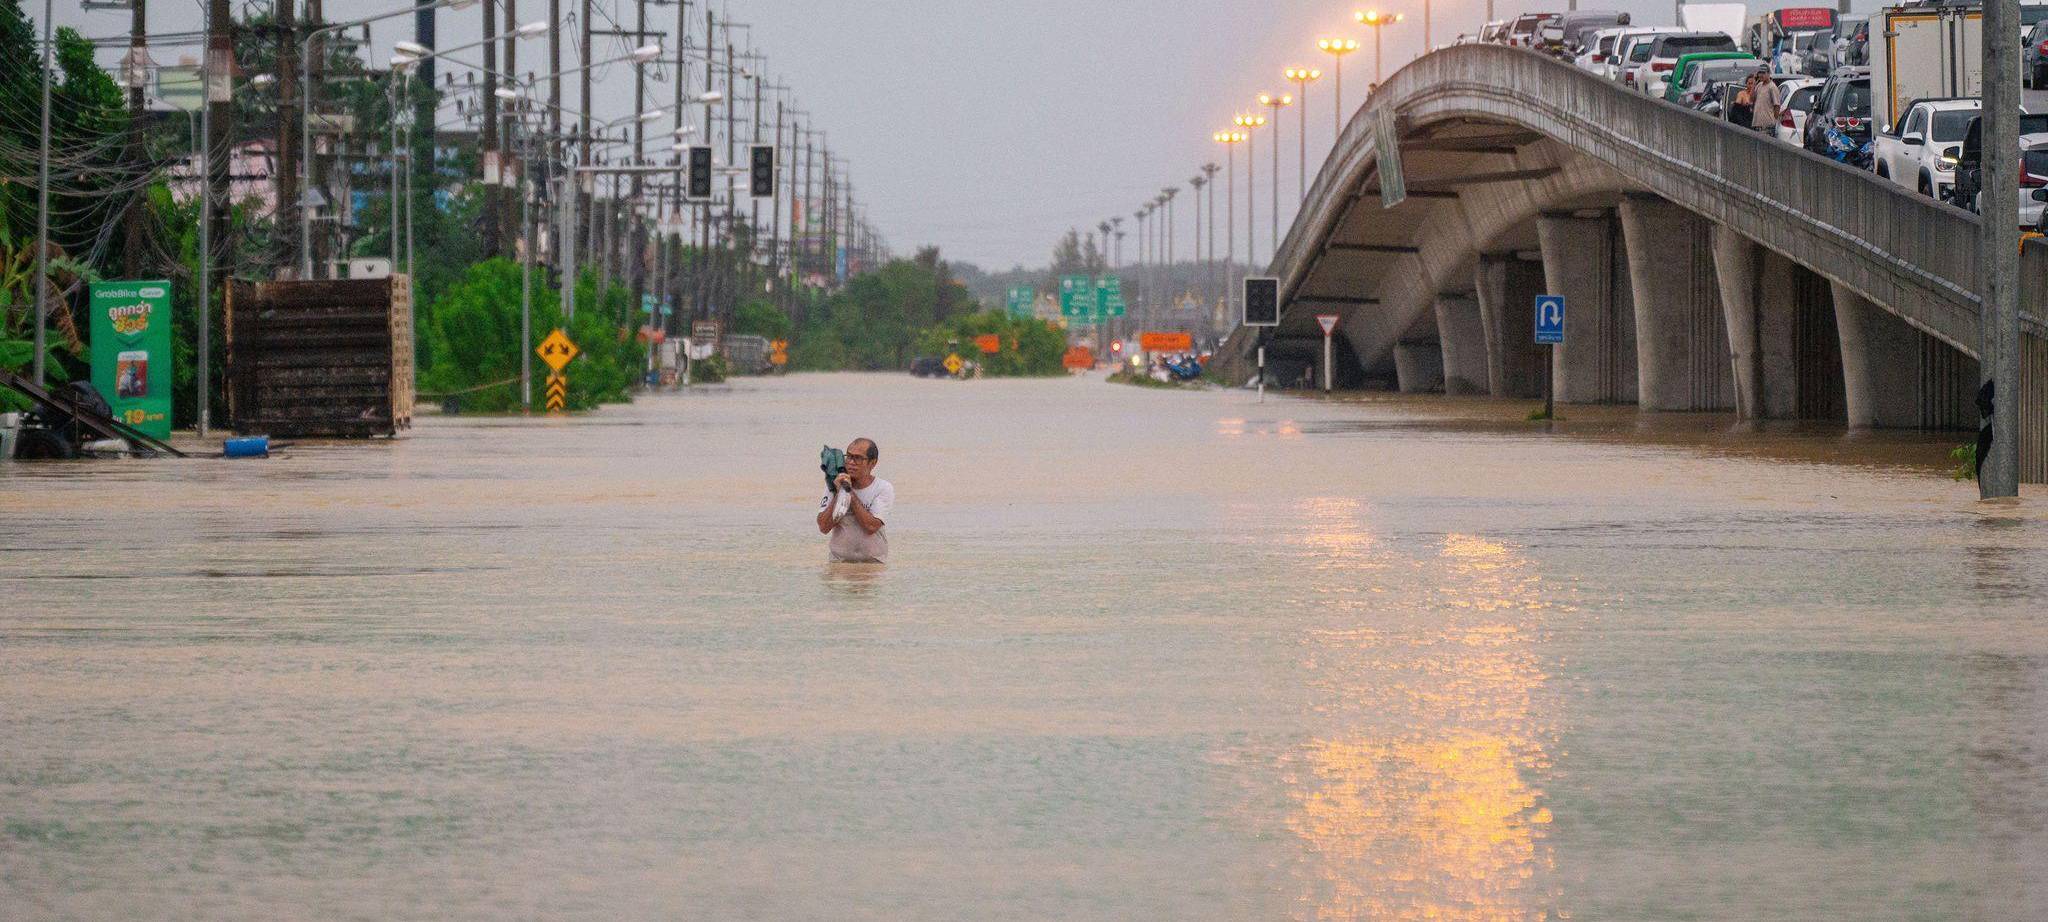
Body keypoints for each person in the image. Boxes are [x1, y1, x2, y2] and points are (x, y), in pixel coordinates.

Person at [815, 437, 893, 563]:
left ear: (872, 463)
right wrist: (838, 492)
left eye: (858, 458)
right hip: (838, 563)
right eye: (849, 456)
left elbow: (871, 526)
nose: (851, 462)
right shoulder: (834, 485)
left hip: (873, 564)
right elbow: (823, 527)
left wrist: (848, 491)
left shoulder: (883, 488)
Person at [1748, 69, 1782, 133]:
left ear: (1768, 74)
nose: (1761, 75)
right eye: (1759, 73)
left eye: (1763, 73)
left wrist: (1774, 121)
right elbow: (1751, 99)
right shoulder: (1759, 85)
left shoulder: (1772, 87)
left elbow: (1777, 106)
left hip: (1767, 127)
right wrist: (1754, 83)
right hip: (1757, 125)